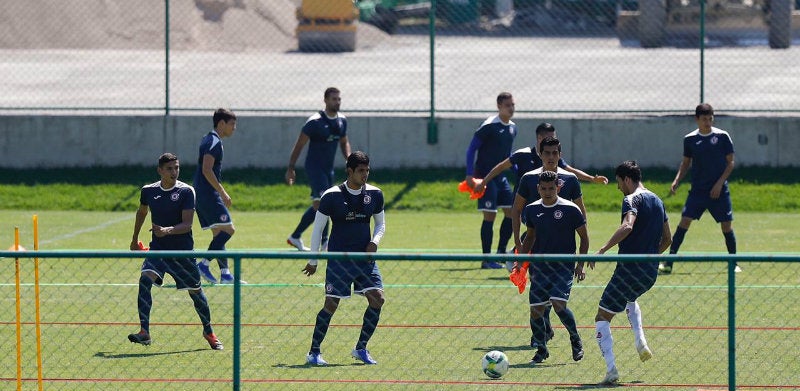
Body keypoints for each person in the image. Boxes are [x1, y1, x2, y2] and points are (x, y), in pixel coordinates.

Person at [128, 153, 223, 350]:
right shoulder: (148, 191)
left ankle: (208, 330)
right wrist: (135, 238)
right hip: (158, 250)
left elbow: (187, 225)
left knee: (196, 293)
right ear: (160, 171)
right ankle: (144, 332)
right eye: (170, 169)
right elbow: (142, 212)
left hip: (182, 253)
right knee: (145, 280)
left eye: (176, 168)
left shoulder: (187, 192)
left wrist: (166, 230)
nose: (174, 172)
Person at [301, 151, 386, 366]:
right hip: (339, 260)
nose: (365, 175)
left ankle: (361, 348)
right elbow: (318, 229)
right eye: (360, 171)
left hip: (364, 261)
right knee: (331, 304)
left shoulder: (375, 194)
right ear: (350, 171)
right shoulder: (331, 196)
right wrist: (313, 260)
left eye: (367, 170)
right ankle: (313, 352)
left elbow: (380, 224)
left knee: (378, 298)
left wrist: (375, 241)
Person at [593, 160, 672, 385]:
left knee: (602, 317)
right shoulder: (658, 200)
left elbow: (628, 226)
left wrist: (602, 250)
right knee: (630, 298)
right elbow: (668, 239)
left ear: (627, 179)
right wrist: (648, 258)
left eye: (619, 182)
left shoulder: (631, 199)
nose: (619, 188)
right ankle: (640, 341)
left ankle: (611, 370)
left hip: (628, 270)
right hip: (649, 273)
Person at [512, 136, 586, 342]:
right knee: (538, 288)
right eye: (547, 153)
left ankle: (545, 334)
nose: (551, 157)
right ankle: (543, 333)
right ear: (540, 154)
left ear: (560, 155)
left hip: (562, 248)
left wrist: (581, 255)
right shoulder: (528, 178)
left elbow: (581, 213)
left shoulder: (570, 180)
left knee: (555, 296)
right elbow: (517, 209)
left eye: (555, 153)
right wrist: (518, 241)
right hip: (536, 244)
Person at [517, 170, 589, 365]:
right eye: (543, 188)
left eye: (551, 188)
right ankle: (541, 349)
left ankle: (575, 338)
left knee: (558, 304)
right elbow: (530, 236)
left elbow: (584, 238)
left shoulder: (570, 209)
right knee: (536, 311)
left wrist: (580, 265)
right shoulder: (531, 209)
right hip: (539, 269)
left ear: (558, 187)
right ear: (538, 188)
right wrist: (521, 264)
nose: (547, 192)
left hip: (563, 267)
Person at [660, 103, 739, 274]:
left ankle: (734, 263)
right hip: (698, 191)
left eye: (710, 119)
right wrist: (676, 181)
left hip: (719, 191)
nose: (708, 122)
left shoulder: (722, 136)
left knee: (726, 226)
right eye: (704, 119)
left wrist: (719, 184)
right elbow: (686, 163)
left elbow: (730, 162)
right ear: (697, 119)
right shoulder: (690, 139)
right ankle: (669, 263)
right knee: (684, 222)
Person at [286, 87, 351, 252]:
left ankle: (297, 237)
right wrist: (291, 167)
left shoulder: (342, 120)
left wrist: (349, 159)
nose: (337, 102)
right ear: (325, 100)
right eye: (333, 99)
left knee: (321, 204)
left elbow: (344, 142)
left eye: (339, 99)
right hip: (314, 168)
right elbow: (299, 144)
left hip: (329, 170)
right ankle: (324, 242)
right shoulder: (315, 122)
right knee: (325, 203)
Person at [476, 122, 608, 197]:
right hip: (523, 200)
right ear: (539, 138)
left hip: (544, 199)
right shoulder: (523, 154)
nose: (554, 140)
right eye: (550, 137)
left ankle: (517, 246)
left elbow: (570, 170)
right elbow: (500, 167)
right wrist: (483, 182)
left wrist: (591, 178)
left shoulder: (552, 156)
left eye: (554, 137)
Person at [465, 92, 517, 269]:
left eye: (513, 105)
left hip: (501, 177)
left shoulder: (512, 128)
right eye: (508, 105)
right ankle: (486, 259)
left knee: (511, 212)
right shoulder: (489, 126)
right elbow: (471, 149)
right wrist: (470, 175)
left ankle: (501, 252)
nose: (511, 108)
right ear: (499, 106)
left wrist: (518, 170)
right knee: (490, 215)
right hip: (485, 177)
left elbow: (507, 156)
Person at [193, 108, 244, 284]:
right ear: (221, 123)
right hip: (208, 194)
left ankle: (226, 274)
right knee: (229, 230)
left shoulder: (208, 138)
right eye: (232, 124)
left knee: (218, 234)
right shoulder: (213, 142)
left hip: (201, 193)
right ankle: (204, 264)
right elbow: (206, 169)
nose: (234, 128)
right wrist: (222, 192)